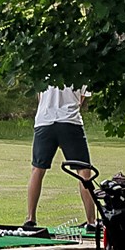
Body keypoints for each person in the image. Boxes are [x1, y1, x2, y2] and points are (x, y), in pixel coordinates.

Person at [26, 82, 98, 229]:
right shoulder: (81, 71)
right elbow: (80, 101)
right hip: (70, 121)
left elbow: (39, 96)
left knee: (37, 170)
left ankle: (30, 218)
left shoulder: (43, 69)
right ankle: (91, 221)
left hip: (44, 121)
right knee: (84, 172)